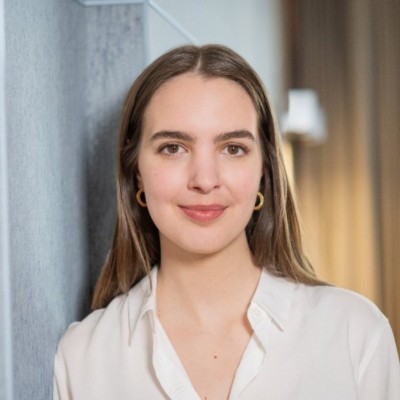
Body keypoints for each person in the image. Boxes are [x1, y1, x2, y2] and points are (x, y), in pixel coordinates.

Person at [53, 44, 400, 400]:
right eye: (173, 147)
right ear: (136, 172)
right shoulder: (82, 359)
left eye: (233, 148)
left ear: (264, 169)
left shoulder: (355, 334)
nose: (205, 180)